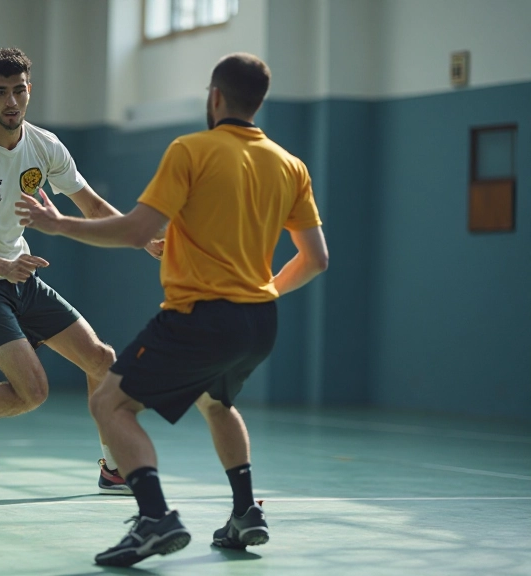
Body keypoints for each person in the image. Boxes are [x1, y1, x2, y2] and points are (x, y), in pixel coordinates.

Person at [18, 53, 329, 566]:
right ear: (259, 101)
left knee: (110, 404)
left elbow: (137, 231)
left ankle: (156, 519)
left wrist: (58, 226)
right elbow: (315, 259)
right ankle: (246, 511)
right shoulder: (290, 164)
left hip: (201, 316)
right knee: (217, 402)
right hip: (261, 320)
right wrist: (264, 289)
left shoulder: (192, 150)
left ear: (214, 98)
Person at [0, 47, 162, 493]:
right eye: (1, 92)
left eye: (19, 91)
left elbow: (90, 204)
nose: (11, 101)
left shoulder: (45, 145)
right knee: (33, 392)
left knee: (102, 359)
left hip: (18, 270)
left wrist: (141, 237)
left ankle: (113, 468)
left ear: (29, 91)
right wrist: (4, 266)